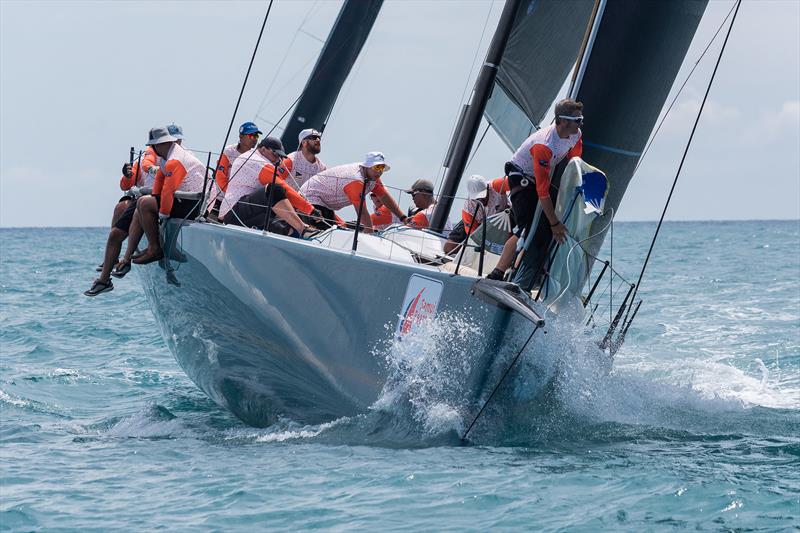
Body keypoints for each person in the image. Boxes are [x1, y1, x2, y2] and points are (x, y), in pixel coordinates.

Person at [486, 98, 583, 281]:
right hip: (520, 177)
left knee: (545, 226)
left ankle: (527, 273)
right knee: (528, 228)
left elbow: (575, 161)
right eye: (577, 120)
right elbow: (542, 190)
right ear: (562, 121)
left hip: (537, 179)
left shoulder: (575, 134)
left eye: (581, 119)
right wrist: (554, 224)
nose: (580, 124)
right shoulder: (544, 145)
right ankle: (497, 273)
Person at [129, 126, 208, 266]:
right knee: (144, 202)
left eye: (153, 145)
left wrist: (162, 214)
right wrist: (155, 199)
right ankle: (154, 246)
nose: (152, 149)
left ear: (161, 144)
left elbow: (168, 190)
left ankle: (155, 249)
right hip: (183, 199)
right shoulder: (166, 157)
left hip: (194, 204)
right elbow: (159, 182)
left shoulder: (175, 159)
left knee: (144, 203)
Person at [220, 137, 314, 236]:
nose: (278, 159)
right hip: (234, 213)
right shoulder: (257, 161)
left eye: (280, 156)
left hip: (242, 213)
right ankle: (303, 229)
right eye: (275, 154)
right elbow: (281, 185)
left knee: (284, 223)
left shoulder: (253, 157)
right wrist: (310, 210)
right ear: (264, 149)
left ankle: (303, 236)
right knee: (275, 189)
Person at [300, 152, 406, 232]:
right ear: (366, 166)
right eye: (377, 167)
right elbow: (362, 212)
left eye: (382, 168)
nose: (380, 171)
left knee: (335, 232)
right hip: (310, 197)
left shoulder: (373, 177)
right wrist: (369, 233)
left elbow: (385, 197)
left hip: (325, 204)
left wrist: (403, 217)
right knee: (325, 234)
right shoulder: (356, 180)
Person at [444, 174, 510, 254]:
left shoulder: (496, 185)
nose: (481, 199)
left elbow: (515, 181)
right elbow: (474, 237)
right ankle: (466, 254)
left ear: (487, 188)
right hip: (478, 223)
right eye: (477, 198)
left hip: (504, 219)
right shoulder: (468, 208)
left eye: (483, 195)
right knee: (449, 247)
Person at [214, 121, 261, 194]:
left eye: (256, 136)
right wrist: (231, 194)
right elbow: (220, 176)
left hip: (241, 198)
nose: (255, 139)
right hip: (220, 196)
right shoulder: (229, 151)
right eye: (251, 136)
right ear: (241, 137)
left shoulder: (257, 156)